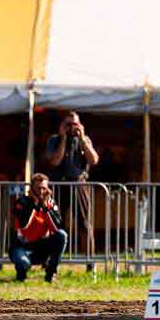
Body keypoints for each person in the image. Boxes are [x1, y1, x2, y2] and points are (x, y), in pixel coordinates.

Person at [44, 111, 98, 260]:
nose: (72, 128)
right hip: (59, 185)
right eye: (68, 124)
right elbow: (55, 161)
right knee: (55, 224)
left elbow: (93, 160)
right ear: (62, 126)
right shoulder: (54, 140)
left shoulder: (85, 140)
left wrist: (82, 139)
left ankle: (89, 262)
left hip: (79, 185)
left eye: (75, 124)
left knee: (85, 224)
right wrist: (63, 138)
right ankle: (51, 261)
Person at [9, 173, 67, 283]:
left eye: (44, 188)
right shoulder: (21, 202)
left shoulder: (50, 203)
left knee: (62, 235)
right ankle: (21, 274)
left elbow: (56, 228)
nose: (41, 192)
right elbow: (24, 225)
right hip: (22, 247)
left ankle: (51, 273)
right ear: (31, 189)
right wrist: (34, 204)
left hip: (41, 247)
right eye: (38, 188)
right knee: (23, 262)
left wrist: (45, 208)